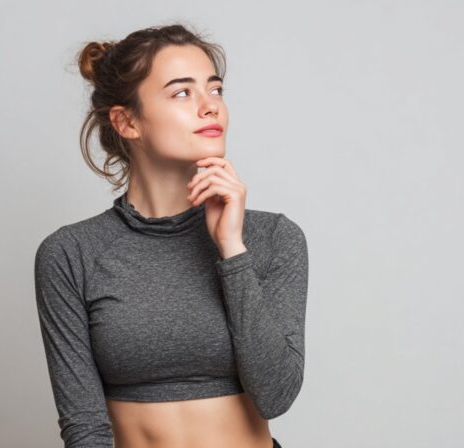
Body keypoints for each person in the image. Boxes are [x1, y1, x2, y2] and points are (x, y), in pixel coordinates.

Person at [33, 23, 308, 448]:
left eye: (215, 89)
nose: (210, 106)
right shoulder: (71, 254)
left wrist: (232, 251)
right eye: (182, 92)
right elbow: (84, 425)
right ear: (126, 121)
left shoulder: (273, 237)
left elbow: (276, 395)